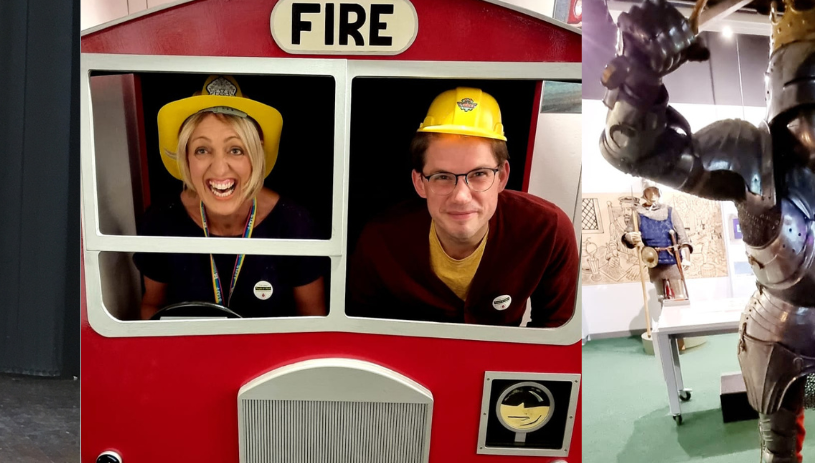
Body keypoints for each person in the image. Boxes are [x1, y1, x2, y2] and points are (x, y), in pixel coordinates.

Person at [600, 0, 815, 463]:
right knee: (781, 450)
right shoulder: (748, 152)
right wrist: (640, 74)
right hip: (777, 334)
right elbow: (636, 154)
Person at [348, 87, 577, 327]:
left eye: (479, 174)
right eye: (443, 177)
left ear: (502, 177)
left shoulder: (548, 230)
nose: (461, 196)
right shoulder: (380, 241)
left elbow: (555, 332)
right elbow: (361, 335)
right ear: (419, 183)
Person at [133, 76, 327, 319]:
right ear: (187, 158)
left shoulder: (296, 226)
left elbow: (312, 325)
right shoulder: (161, 221)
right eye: (202, 150)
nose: (220, 170)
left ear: (256, 154)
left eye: (236, 150)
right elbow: (152, 308)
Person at [633, 185, 687, 299]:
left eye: (655, 191)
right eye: (649, 191)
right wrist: (631, 237)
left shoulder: (669, 211)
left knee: (679, 296)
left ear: (659, 193)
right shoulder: (638, 213)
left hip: (672, 257)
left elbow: (683, 236)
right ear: (644, 194)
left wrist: (686, 258)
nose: (652, 194)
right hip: (652, 258)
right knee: (661, 298)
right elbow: (628, 235)